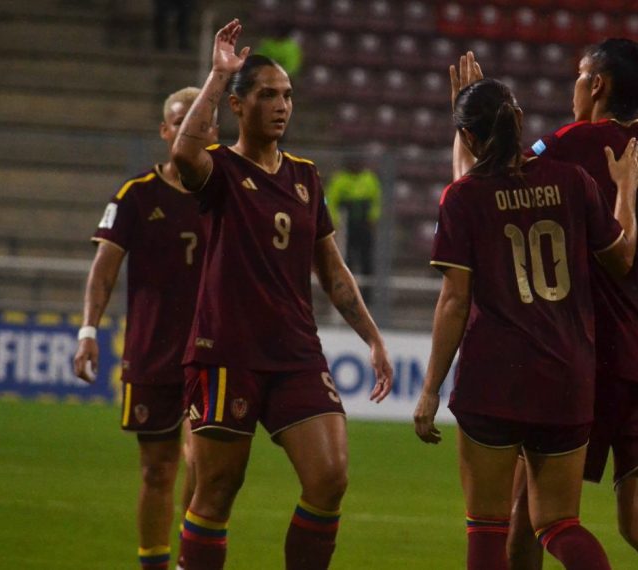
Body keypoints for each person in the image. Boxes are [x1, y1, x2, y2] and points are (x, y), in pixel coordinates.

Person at [461, 40, 638, 570]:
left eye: (579, 76)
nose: (574, 87)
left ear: (597, 84)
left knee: (534, 515)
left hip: (592, 362)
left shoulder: (570, 144)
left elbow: (484, 187)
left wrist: (467, 119)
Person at [170, 19, 394, 570]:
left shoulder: (306, 177)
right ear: (238, 106)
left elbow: (333, 270)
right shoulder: (221, 169)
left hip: (295, 353)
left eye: (288, 95)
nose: (282, 106)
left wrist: (372, 337)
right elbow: (184, 154)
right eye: (268, 95)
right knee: (217, 489)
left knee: (330, 477)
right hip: (227, 352)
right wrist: (218, 75)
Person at [414, 77, 638, 570]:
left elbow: (454, 301)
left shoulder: (462, 197)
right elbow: (623, 257)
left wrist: (430, 389)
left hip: (494, 381)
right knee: (560, 522)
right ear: (520, 120)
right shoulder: (573, 181)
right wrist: (626, 187)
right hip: (566, 377)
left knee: (487, 526)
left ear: (467, 136)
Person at [74, 86, 216, 570]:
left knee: (202, 465)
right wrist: (88, 331)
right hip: (152, 353)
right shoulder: (136, 195)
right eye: (180, 122)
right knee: (158, 471)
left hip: (213, 355)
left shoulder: (229, 194)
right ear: (165, 131)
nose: (190, 130)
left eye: (200, 123)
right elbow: (104, 268)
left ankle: (190, 561)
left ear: (213, 131)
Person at [325, 158, 382, 300]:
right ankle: (347, 293)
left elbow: (377, 200)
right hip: (346, 227)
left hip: (364, 225)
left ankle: (367, 296)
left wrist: (373, 217)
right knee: (346, 259)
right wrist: (335, 222)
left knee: (366, 259)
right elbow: (330, 201)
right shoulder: (339, 180)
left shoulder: (369, 178)